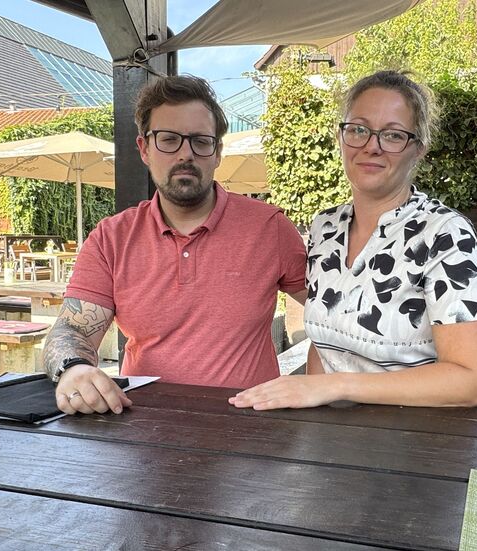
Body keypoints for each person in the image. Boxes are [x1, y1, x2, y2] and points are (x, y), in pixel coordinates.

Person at [230, 70, 477, 410]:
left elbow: (471, 383)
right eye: (358, 129)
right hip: (336, 439)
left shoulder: (443, 233)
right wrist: (314, 400)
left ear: (418, 150)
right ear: (341, 138)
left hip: (420, 441)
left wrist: (337, 386)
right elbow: (323, 346)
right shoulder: (326, 227)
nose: (372, 145)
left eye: (393, 135)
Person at [45, 75, 307, 415]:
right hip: (145, 428)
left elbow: (334, 317)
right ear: (144, 149)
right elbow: (72, 328)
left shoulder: (270, 228)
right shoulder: (112, 238)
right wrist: (73, 369)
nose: (186, 154)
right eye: (169, 140)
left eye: (200, 141)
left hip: (250, 431)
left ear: (217, 153)